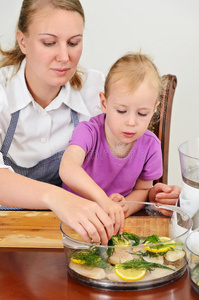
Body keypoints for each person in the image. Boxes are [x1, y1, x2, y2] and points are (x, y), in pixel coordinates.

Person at [0, 0, 180, 245]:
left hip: (79, 229)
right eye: (49, 42)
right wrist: (59, 198)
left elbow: (132, 160)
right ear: (23, 42)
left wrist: (153, 194)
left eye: (74, 42)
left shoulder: (98, 89)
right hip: (8, 225)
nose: (64, 57)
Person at [59, 52, 180, 219]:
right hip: (74, 215)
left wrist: (124, 207)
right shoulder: (88, 131)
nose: (131, 122)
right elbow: (68, 168)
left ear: (154, 109)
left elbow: (143, 190)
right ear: (104, 103)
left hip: (114, 220)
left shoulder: (150, 146)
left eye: (142, 113)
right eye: (122, 111)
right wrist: (103, 201)